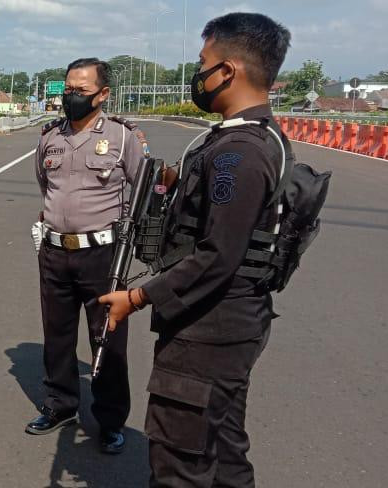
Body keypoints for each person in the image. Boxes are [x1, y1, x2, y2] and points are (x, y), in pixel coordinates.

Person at [99, 12, 292, 487]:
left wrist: (138, 298)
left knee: (180, 461)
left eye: (203, 62)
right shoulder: (244, 140)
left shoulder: (238, 152)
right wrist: (176, 182)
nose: (197, 73)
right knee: (223, 449)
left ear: (228, 71)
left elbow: (217, 255)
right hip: (228, 327)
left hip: (208, 332)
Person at [27, 58, 146, 455]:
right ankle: (60, 404)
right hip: (55, 251)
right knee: (56, 335)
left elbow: (142, 188)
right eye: (68, 89)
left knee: (107, 338)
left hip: (103, 255)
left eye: (81, 90)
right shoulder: (49, 137)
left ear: (103, 94)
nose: (72, 97)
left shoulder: (123, 138)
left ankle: (110, 420)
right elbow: (45, 184)